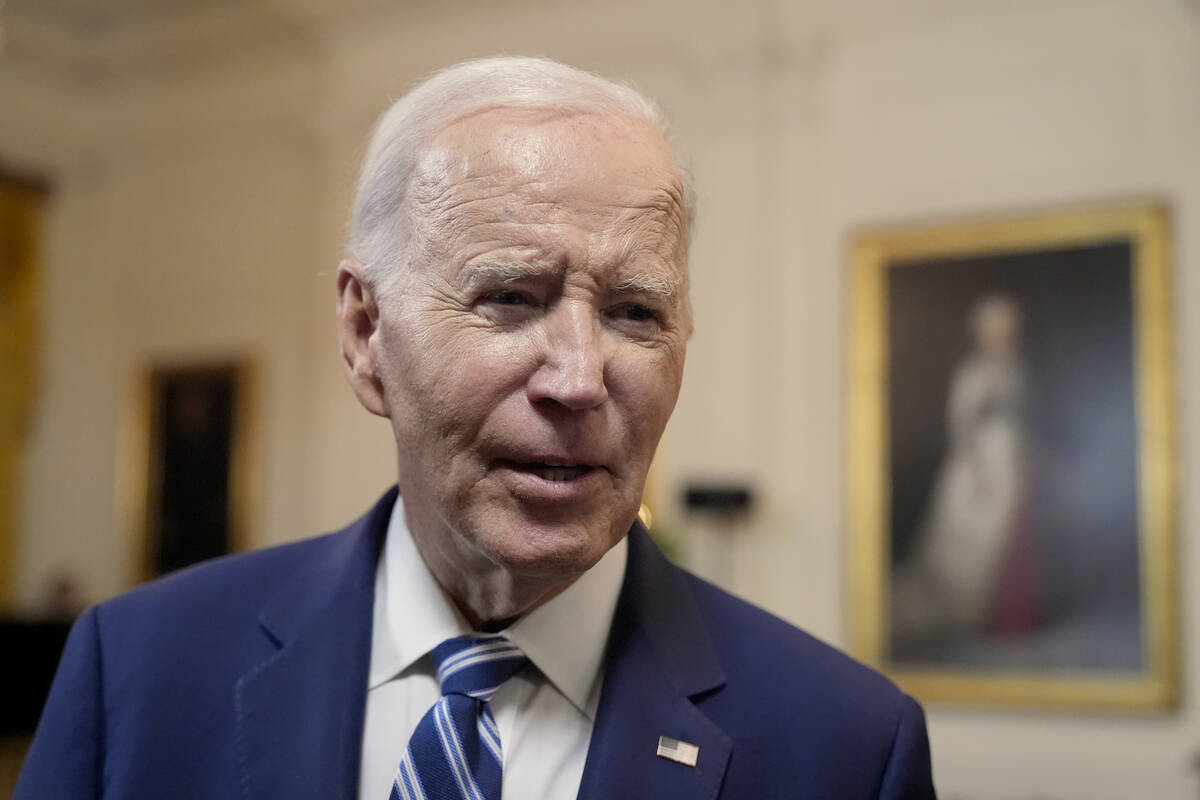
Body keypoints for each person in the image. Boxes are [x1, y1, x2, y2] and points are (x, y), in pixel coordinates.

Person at [16, 56, 935, 799]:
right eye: (508, 298)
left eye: (634, 314)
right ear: (366, 332)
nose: (579, 380)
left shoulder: (845, 748)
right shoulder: (137, 672)